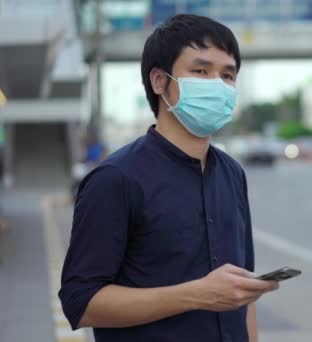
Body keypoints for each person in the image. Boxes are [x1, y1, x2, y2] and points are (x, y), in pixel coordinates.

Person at [58, 14, 278, 342]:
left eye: (228, 75)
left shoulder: (232, 174)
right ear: (160, 81)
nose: (218, 85)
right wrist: (197, 295)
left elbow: (241, 295)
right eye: (201, 71)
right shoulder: (116, 179)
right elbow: (81, 302)